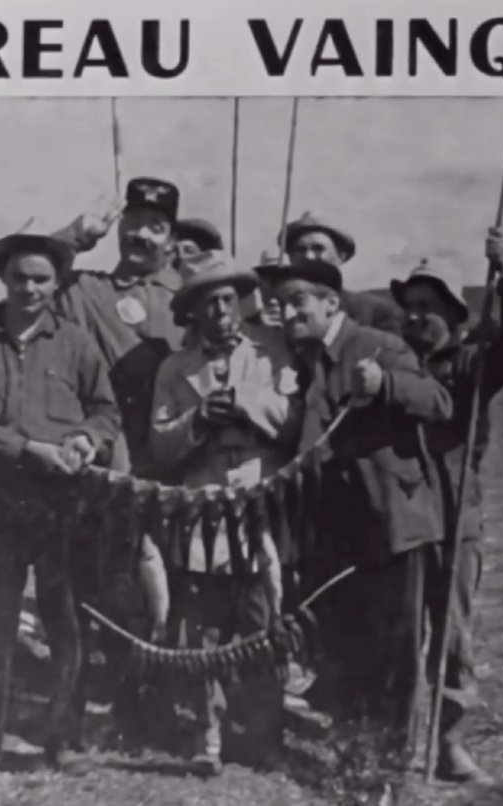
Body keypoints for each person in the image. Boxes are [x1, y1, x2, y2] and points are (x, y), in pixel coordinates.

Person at [0, 232, 120, 786]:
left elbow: (107, 412)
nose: (29, 288)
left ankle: (65, 741)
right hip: (1, 500)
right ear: (3, 280)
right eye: (19, 277)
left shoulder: (78, 343)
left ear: (56, 284)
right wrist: (25, 449)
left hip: (66, 502)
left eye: (41, 278)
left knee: (67, 625)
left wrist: (88, 438)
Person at [259, 258, 452, 758]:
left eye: (299, 300)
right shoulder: (296, 360)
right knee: (347, 645)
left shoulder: (376, 346)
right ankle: (355, 752)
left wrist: (386, 386)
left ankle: (388, 766)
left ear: (331, 302)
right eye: (281, 303)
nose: (289, 311)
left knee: (393, 655)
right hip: (335, 534)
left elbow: (438, 401)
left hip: (392, 525)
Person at [388, 229, 503, 784]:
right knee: (400, 637)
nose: (414, 318)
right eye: (409, 307)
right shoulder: (394, 363)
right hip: (403, 522)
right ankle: (399, 745)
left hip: (455, 519)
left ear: (455, 313)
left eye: (428, 308)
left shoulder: (474, 364)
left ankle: (448, 744)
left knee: (452, 637)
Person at [150, 252, 301, 776]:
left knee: (262, 620)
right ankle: (205, 733)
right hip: (202, 505)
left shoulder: (273, 353)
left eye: (227, 299)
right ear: (191, 312)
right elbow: (159, 446)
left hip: (258, 499)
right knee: (202, 626)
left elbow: (294, 422)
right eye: (207, 302)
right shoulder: (174, 368)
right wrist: (196, 421)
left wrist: (245, 403)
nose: (220, 310)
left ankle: (263, 735)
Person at [50, 177, 186, 747]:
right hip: (101, 469)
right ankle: (84, 720)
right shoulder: (84, 289)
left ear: (171, 237)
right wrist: (75, 236)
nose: (140, 233)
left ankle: (155, 713)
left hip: (173, 469)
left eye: (155, 224)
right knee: (94, 591)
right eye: (133, 220)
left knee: (168, 597)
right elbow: (28, 270)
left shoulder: (189, 295)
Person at [263, 211, 404, 335]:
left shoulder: (375, 312)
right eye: (299, 249)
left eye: (318, 248)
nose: (309, 256)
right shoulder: (274, 309)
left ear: (341, 256)